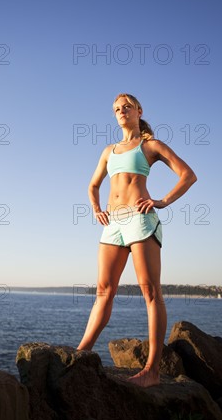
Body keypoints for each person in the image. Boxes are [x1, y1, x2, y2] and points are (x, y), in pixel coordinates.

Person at [76, 93, 197, 387]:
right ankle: (81, 353)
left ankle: (152, 371)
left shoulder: (150, 145)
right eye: (117, 109)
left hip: (140, 219)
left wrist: (163, 201)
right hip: (113, 224)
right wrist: (96, 210)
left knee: (150, 292)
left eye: (126, 107)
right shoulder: (109, 151)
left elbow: (187, 175)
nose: (121, 111)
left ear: (139, 111)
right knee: (104, 290)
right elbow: (93, 186)